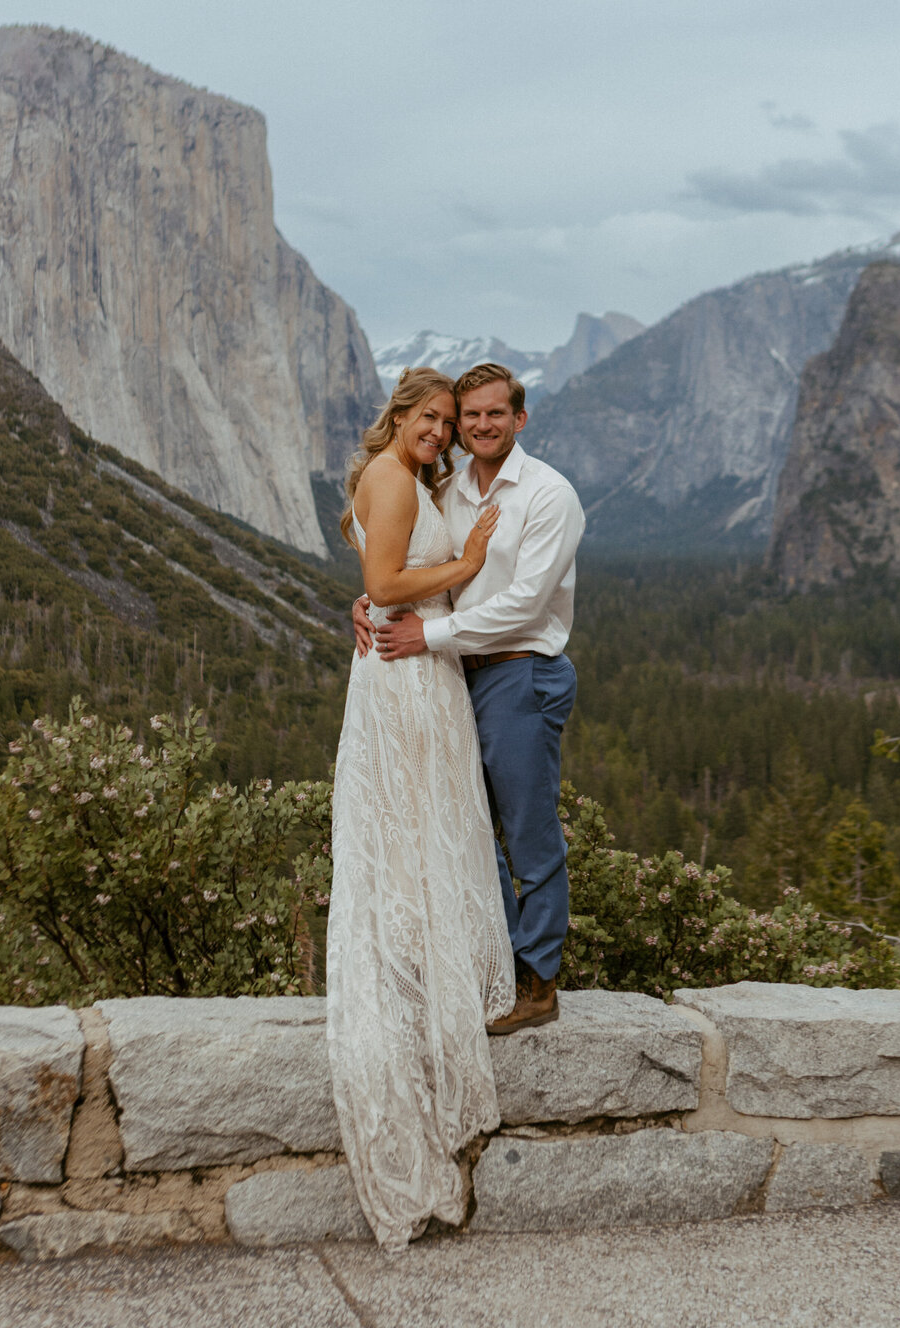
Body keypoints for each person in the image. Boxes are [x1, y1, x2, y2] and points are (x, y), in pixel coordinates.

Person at [326, 366, 515, 1254]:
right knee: (410, 841)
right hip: (405, 682)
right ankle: (411, 992)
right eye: (430, 418)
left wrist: (379, 595)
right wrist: (468, 562)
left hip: (413, 673)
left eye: (450, 422)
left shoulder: (407, 476)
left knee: (421, 839)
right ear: (399, 417)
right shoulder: (394, 477)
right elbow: (389, 580)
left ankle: (421, 967)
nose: (440, 432)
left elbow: (376, 580)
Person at [361, 361, 586, 1035]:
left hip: (521, 672)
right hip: (459, 673)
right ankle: (493, 965)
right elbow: (412, 569)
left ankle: (538, 982)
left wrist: (428, 634)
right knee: (462, 826)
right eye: (470, 416)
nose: (481, 425)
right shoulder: (451, 489)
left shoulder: (549, 495)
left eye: (496, 413)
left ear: (520, 418)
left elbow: (524, 605)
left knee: (527, 833)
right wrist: (372, 599)